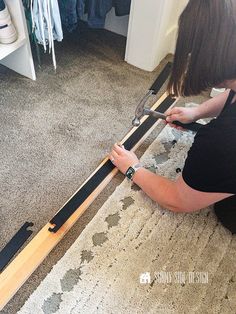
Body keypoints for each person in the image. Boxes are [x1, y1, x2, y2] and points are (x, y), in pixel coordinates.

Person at [109, 0, 236, 234]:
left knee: (227, 211)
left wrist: (133, 168)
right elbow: (232, 92)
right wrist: (197, 111)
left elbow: (178, 199)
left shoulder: (222, 140)